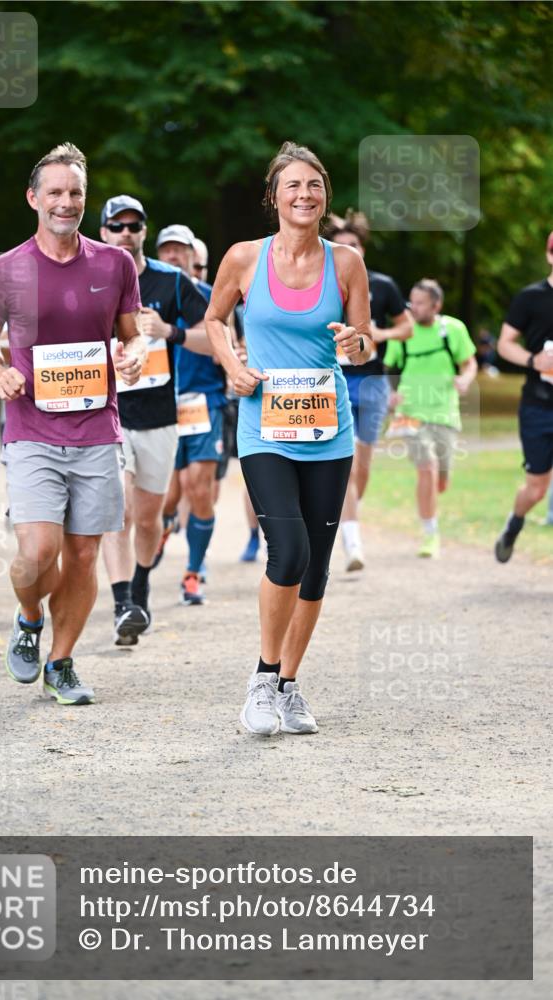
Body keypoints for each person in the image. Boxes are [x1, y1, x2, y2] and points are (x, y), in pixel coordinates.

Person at [205, 140, 373, 735]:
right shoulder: (244, 258)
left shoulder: (346, 261)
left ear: (326, 196)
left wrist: (356, 345)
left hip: (330, 432)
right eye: (293, 186)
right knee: (291, 553)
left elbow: (364, 340)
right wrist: (231, 363)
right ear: (273, 196)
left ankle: (290, 687)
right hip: (265, 428)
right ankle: (261, 678)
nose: (305, 195)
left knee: (319, 569)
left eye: (315, 186)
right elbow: (213, 319)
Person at [0, 143, 145, 706]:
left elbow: (131, 333)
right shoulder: (5, 269)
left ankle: (62, 662)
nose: (66, 202)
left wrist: (135, 352)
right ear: (33, 198)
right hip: (32, 430)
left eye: (75, 193)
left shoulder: (115, 264)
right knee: (37, 553)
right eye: (55, 192)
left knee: (85, 555)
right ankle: (28, 618)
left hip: (97, 429)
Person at [98, 197, 212, 643]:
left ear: (145, 230)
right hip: (109, 415)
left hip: (161, 417)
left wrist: (171, 332)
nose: (125, 232)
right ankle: (123, 601)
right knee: (120, 510)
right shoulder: (91, 278)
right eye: (116, 225)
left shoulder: (171, 280)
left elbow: (214, 336)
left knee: (149, 519)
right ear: (104, 232)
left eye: (134, 225)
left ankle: (141, 583)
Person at [327, 212, 412, 571]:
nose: (348, 251)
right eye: (341, 246)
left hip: (373, 380)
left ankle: (345, 518)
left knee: (363, 462)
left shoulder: (383, 285)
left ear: (363, 249)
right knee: (345, 462)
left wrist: (378, 335)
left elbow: (406, 328)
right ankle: (352, 538)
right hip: (335, 380)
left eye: (354, 245)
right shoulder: (320, 284)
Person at [156, 225, 227, 605]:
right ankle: (165, 524)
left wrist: (233, 355)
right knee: (167, 496)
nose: (173, 256)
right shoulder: (146, 297)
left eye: (179, 250)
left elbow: (233, 345)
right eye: (166, 250)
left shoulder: (212, 299)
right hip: (162, 406)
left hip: (206, 400)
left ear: (191, 256)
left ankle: (194, 571)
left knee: (200, 487)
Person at [384, 279, 477, 558]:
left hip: (444, 412)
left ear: (437, 305)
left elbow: (469, 363)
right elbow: (391, 368)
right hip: (410, 413)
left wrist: (466, 379)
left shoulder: (453, 330)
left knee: (441, 477)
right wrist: (392, 394)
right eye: (411, 300)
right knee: (427, 467)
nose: (414, 307)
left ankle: (433, 504)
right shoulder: (404, 331)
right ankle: (430, 535)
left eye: (421, 302)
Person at [494, 232, 553, 561]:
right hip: (539, 405)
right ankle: (514, 524)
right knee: (536, 488)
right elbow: (504, 344)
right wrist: (533, 360)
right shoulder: (530, 298)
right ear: (549, 255)